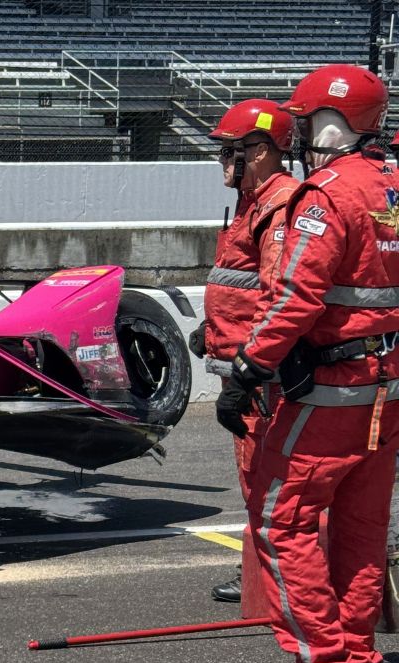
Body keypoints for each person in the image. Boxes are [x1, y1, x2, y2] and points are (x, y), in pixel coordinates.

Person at [216, 64, 398, 663]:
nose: (303, 134)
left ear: (334, 123)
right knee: (360, 534)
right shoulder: (393, 184)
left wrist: (246, 371)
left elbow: (295, 296)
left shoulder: (326, 195)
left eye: (310, 119)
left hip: (331, 393)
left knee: (280, 522)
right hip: (386, 394)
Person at [190, 100, 298, 604]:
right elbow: (242, 284)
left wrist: (248, 368)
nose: (221, 162)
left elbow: (281, 296)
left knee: (268, 479)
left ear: (257, 152)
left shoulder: (280, 207)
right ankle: (264, 574)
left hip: (262, 375)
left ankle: (272, 581)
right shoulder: (253, 204)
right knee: (256, 476)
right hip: (246, 363)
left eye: (227, 151)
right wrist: (210, 329)